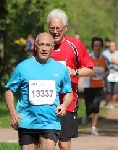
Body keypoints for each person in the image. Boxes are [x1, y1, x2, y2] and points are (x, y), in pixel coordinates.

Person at [5, 32, 73, 150]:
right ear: (36, 46)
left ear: (52, 48)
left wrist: (64, 105)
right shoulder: (23, 67)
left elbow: (68, 92)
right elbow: (9, 90)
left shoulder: (61, 69)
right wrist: (13, 113)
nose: (44, 49)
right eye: (41, 45)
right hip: (27, 121)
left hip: (50, 121)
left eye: (48, 45)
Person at [46, 9, 94, 150]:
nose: (54, 31)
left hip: (68, 101)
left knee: (64, 145)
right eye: (51, 28)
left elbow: (90, 70)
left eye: (57, 28)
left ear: (65, 28)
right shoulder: (43, 45)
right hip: (45, 101)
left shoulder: (75, 45)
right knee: (47, 143)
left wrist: (74, 72)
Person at [82, 37, 109, 135]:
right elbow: (82, 70)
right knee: (89, 108)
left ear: (101, 47)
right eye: (95, 46)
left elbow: (107, 70)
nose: (97, 48)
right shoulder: (88, 57)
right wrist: (89, 73)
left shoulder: (105, 59)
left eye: (99, 46)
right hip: (88, 86)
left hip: (99, 86)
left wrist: (105, 73)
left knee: (96, 105)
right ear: (93, 46)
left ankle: (93, 127)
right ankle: (86, 114)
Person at [103, 41, 118, 109]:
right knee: (108, 90)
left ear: (115, 47)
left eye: (113, 46)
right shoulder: (105, 53)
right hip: (108, 74)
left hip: (116, 75)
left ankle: (112, 104)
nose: (111, 47)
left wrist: (115, 62)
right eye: (110, 46)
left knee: (114, 90)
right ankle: (107, 102)